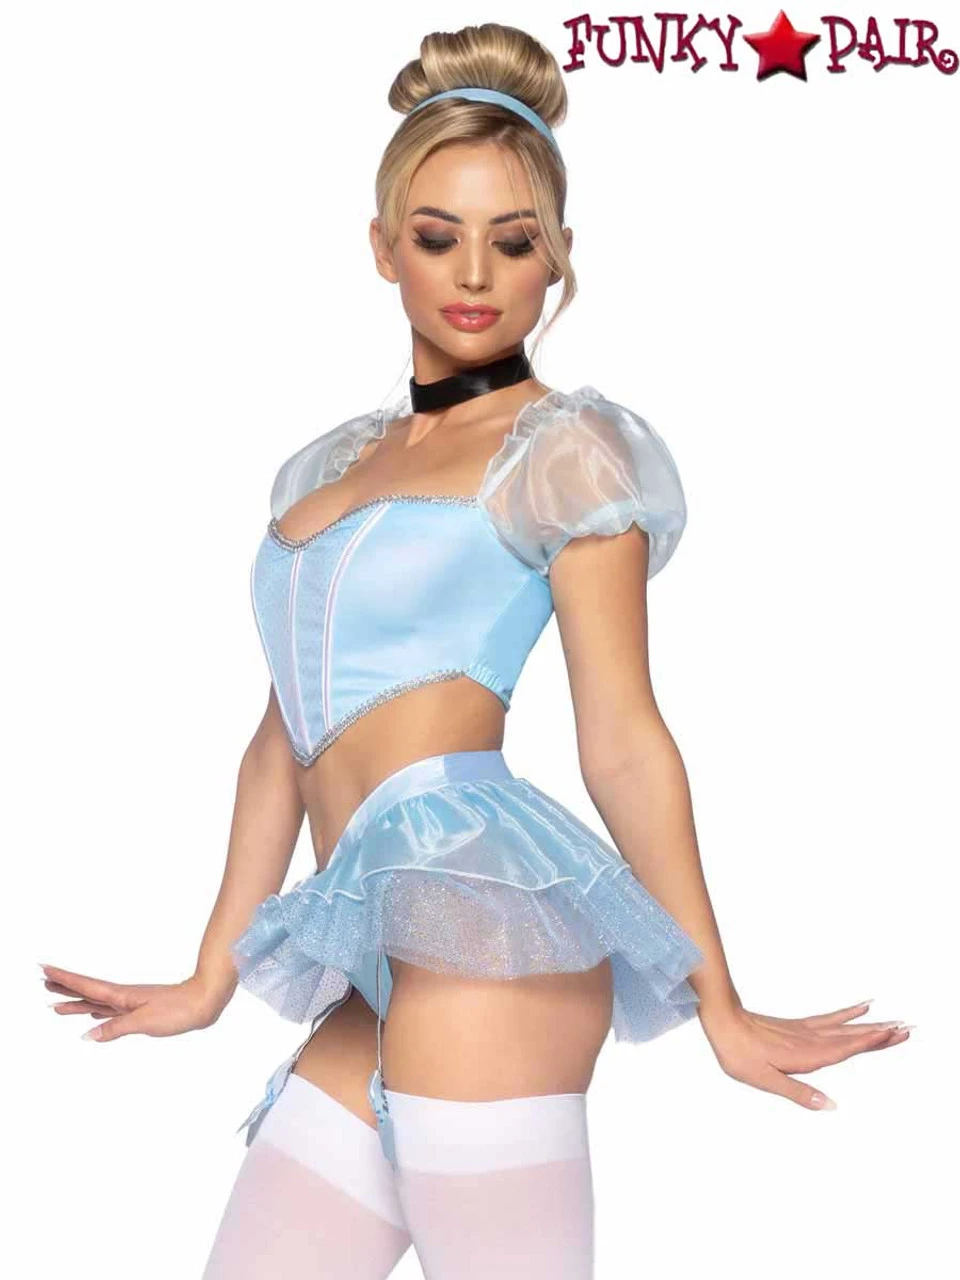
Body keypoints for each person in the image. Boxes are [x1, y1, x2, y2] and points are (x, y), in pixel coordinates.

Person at [40, 22, 910, 1280]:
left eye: (515, 241)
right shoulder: (327, 467)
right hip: (380, 953)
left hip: (490, 926)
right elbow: (283, 737)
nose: (475, 274)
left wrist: (717, 999)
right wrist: (206, 977)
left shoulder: (566, 451)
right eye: (438, 235)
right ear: (382, 245)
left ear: (557, 258)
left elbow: (624, 736)